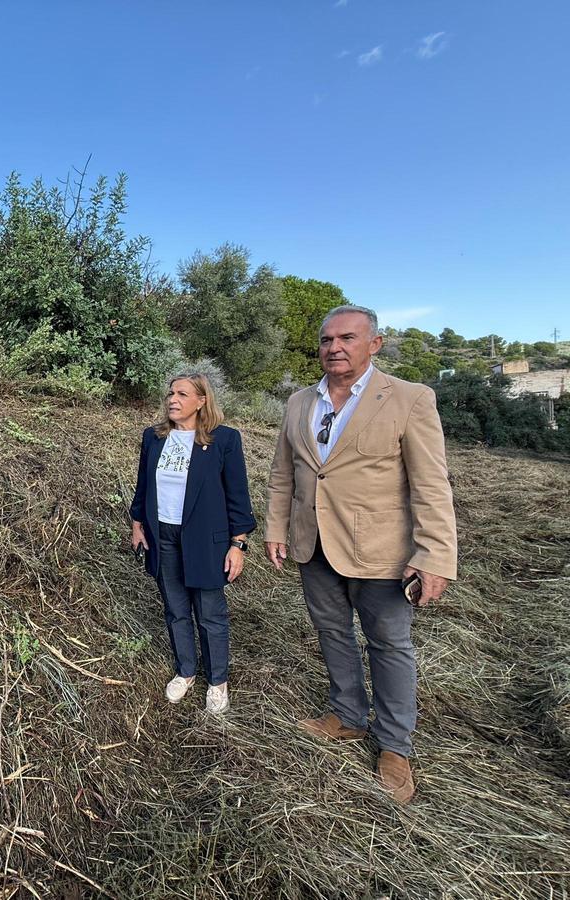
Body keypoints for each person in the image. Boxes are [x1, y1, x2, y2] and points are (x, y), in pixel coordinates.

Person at [264, 304, 457, 805]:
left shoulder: (410, 398)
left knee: (389, 645)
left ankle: (395, 746)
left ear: (374, 343)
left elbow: (431, 484)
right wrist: (276, 527)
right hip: (314, 544)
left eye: (347, 338)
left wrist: (434, 552)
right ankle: (347, 716)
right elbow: (285, 474)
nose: (335, 347)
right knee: (331, 632)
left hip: (382, 551)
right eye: (327, 340)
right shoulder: (299, 402)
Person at [130, 373, 256, 714]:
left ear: (201, 401)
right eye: (170, 392)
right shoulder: (154, 438)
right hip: (162, 536)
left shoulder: (223, 440)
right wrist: (137, 522)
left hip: (206, 540)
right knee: (175, 608)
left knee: (209, 613)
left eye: (182, 394)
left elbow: (237, 495)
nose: (173, 398)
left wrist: (237, 544)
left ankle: (217, 680)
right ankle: (185, 671)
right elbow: (144, 484)